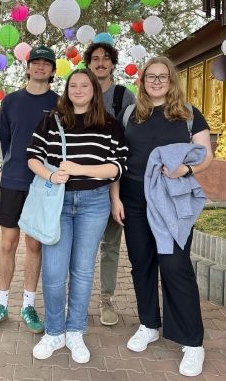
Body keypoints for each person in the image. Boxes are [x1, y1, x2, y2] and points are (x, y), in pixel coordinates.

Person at [111, 56, 213, 377]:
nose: (156, 81)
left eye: (163, 76)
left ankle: (193, 343)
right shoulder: (130, 114)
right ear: (142, 81)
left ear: (172, 80)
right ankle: (148, 324)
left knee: (175, 265)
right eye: (150, 77)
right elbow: (118, 158)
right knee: (142, 264)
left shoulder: (188, 114)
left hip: (171, 201)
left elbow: (206, 155)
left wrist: (187, 168)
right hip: (134, 199)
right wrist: (116, 197)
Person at [28, 68, 128, 363]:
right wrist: (50, 174)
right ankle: (54, 331)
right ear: (67, 89)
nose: (79, 89)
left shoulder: (109, 124)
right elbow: (32, 156)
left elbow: (118, 166)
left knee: (83, 271)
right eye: (74, 85)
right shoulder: (51, 119)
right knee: (54, 271)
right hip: (58, 203)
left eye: (85, 85)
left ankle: (75, 331)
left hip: (94, 204)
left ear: (95, 90)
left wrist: (81, 171)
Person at [0, 46, 59, 333]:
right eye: (35, 62)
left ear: (52, 71)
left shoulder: (59, 103)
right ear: (27, 68)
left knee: (34, 245)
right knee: (7, 244)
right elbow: (9, 142)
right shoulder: (11, 101)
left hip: (44, 184)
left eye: (45, 64)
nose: (40, 67)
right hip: (14, 181)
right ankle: (1, 303)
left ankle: (28, 305)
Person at [84, 42, 135, 326]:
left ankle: (106, 298)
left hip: (115, 180)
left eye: (105, 58)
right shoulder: (80, 91)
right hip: (80, 183)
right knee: (79, 243)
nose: (100, 63)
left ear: (113, 63)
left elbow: (132, 139)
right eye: (95, 59)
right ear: (89, 64)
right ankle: (76, 298)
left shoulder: (124, 97)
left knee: (111, 244)